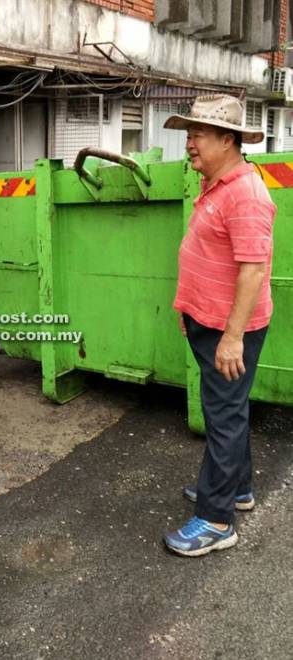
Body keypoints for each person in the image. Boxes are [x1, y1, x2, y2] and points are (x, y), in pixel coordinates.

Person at [162, 95, 275, 557]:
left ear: (227, 140)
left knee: (224, 416)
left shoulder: (246, 193)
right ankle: (237, 489)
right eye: (188, 135)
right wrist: (189, 308)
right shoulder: (217, 184)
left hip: (232, 330)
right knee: (228, 410)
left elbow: (253, 269)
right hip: (209, 321)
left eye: (197, 135)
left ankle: (215, 519)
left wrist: (230, 338)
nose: (189, 144)